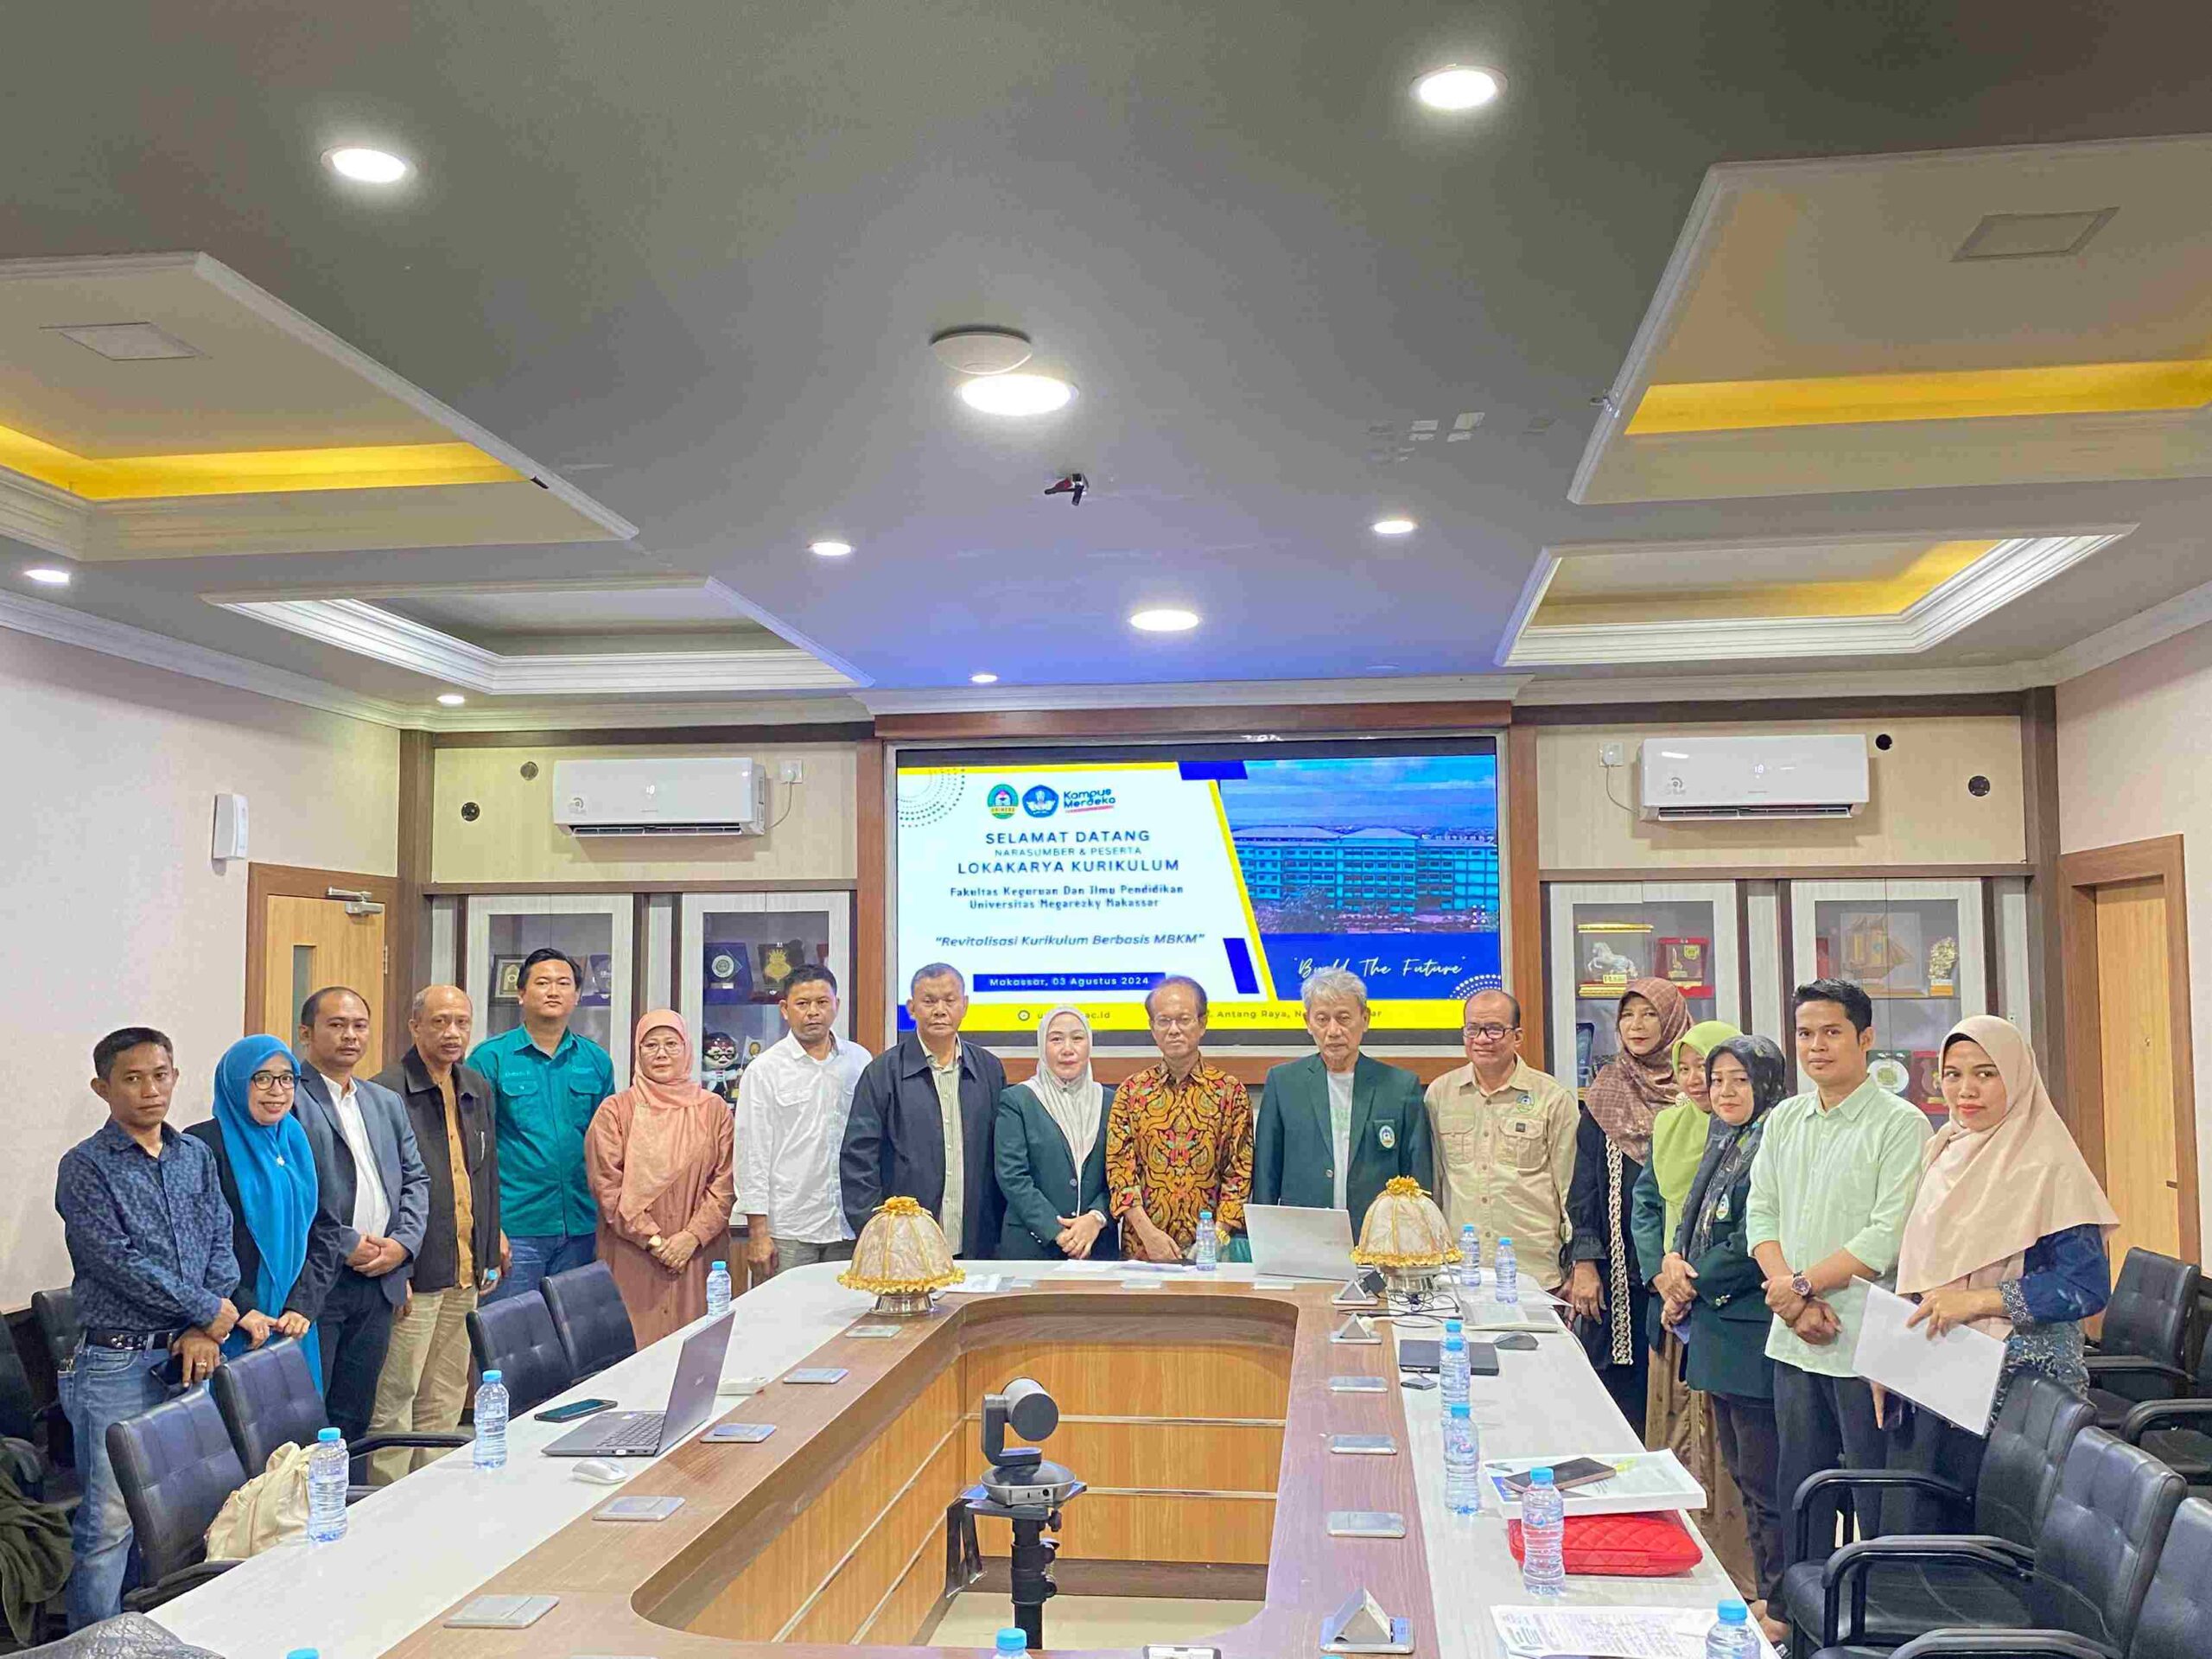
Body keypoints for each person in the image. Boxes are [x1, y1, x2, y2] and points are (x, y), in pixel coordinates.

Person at [1888, 1015, 2116, 1509]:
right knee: (1931, 1522)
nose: (1966, 1090)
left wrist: (1979, 1302)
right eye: (1953, 1074)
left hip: (2022, 1389)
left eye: (1986, 1074)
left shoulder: (2049, 1163)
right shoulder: (1944, 1151)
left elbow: (2086, 1286)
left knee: (1999, 1528)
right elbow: (1922, 1268)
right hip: (1938, 1368)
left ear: (2016, 1076)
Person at [54, 1028, 239, 1629]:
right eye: (132, 1079)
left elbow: (221, 1240)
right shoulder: (85, 1166)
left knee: (190, 1510)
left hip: (191, 1354)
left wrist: (206, 1326)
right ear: (102, 1088)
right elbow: (116, 1262)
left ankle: (171, 1631)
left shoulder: (195, 1156)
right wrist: (205, 1309)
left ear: (175, 1077)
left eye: (160, 1075)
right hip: (116, 1362)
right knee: (110, 1523)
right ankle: (95, 1642)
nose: (150, 1090)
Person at [1745, 978, 1932, 1572]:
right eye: (1805, 1034)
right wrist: (1791, 1299)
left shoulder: (1901, 1123)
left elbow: (1887, 1235)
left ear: (1866, 1038)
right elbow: (1760, 1213)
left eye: (1831, 1032)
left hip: (1865, 1341)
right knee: (1800, 1491)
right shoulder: (1785, 1118)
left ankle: (1873, 1611)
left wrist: (1801, 1288)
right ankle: (1798, 1614)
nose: (1816, 1046)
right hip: (1795, 1336)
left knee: (1873, 1493)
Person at [1652, 1036, 1789, 1636]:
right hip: (1717, 1331)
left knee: (1766, 1480)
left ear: (1766, 1083)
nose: (1726, 1092)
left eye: (1740, 1080)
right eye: (1718, 1080)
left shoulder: (1772, 1143)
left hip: (1752, 1333)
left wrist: (1689, 1281)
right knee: (1744, 1474)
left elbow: (1751, 1238)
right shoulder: (1724, 1139)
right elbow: (1691, 1220)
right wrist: (1672, 1265)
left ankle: (1784, 1605)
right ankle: (1772, 1597)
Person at [366, 986, 506, 1484]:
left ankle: (433, 1495)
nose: (452, 1033)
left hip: (465, 1267)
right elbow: (383, 1189)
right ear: (415, 1026)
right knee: (397, 1395)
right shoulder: (385, 1091)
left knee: (446, 1394)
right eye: (440, 1021)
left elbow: (485, 1174)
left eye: (462, 1023)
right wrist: (397, 1270)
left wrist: (490, 1248)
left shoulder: (475, 1086)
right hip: (415, 1272)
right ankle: (386, 1500)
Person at [1628, 1018, 1745, 1582]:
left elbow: (1750, 1226)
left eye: (1711, 1068)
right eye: (1689, 1068)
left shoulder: (1753, 1133)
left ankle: (1731, 1572)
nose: (1698, 1080)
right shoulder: (1670, 1125)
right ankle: (1671, 1560)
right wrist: (1660, 1276)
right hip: (1669, 1305)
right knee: (1671, 1432)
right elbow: (1646, 1204)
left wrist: (1693, 1283)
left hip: (1726, 1306)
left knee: (1727, 1452)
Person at [292, 987, 429, 1443]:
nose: (350, 1035)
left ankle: (351, 1488)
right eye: (336, 1025)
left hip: (380, 1278)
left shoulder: (383, 1101)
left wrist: (403, 1245)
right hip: (321, 1277)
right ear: (306, 1033)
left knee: (356, 1413)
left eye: (359, 1025)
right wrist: (347, 1243)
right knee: (311, 1414)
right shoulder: (291, 1100)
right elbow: (296, 1194)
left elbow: (416, 1179)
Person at [184, 1037, 343, 1387]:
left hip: (294, 1323)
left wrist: (302, 1305)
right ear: (237, 1082)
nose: (277, 1090)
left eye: (287, 1078)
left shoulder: (304, 1140)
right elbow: (195, 1244)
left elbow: (327, 1230)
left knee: (294, 1416)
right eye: (262, 1078)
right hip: (232, 1323)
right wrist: (241, 1306)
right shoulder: (201, 1145)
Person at [1569, 978, 1690, 1434]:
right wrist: (1584, 1262)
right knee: (1619, 1406)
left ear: (1672, 1021)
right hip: (1617, 1276)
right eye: (1627, 1016)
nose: (1636, 1026)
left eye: (1650, 1014)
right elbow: (1583, 1184)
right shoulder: (1606, 1090)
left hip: (1681, 1274)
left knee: (1676, 1405)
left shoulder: (1697, 1091)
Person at [470, 947, 615, 1301]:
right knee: (510, 1330)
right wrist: (490, 1228)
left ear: (577, 996)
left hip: (581, 1226)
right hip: (516, 1227)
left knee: (577, 1331)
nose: (553, 991)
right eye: (542, 983)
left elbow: (608, 1148)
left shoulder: (596, 1060)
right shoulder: (490, 1058)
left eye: (564, 983)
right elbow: (471, 1152)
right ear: (521, 994)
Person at [583, 1011, 737, 1344]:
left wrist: (690, 1238)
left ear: (687, 1049)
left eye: (671, 1044)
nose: (661, 1053)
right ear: (638, 1052)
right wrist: (654, 1241)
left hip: (698, 1255)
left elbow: (725, 1184)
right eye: (650, 1045)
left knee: (698, 1350)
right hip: (632, 1254)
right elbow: (607, 1187)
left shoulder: (714, 1110)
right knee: (633, 1351)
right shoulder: (615, 1112)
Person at [840, 964, 1006, 1256]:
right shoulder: (883, 1073)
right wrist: (876, 1234)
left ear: (965, 1005)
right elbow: (858, 1161)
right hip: (903, 1245)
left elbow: (1003, 1156)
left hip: (978, 1241)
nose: (940, 1010)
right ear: (912, 1008)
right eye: (929, 1001)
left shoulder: (989, 1069)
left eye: (950, 1000)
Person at [1253, 969, 1431, 1237]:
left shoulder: (1400, 1086)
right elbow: (1266, 1172)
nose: (1333, 1031)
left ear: (1365, 1019)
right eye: (1322, 1019)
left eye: (1344, 1018)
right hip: (1302, 1236)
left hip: (1379, 1238)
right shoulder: (1283, 1083)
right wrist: (1264, 1239)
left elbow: (1417, 1177)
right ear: (1307, 1022)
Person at [1421, 988, 1577, 1293]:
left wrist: (1579, 1263)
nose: (1482, 1039)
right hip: (1460, 1271)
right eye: (1473, 1029)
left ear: (1517, 1037)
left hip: (1534, 1274)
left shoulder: (1552, 1098)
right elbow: (1435, 1186)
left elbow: (1571, 1188)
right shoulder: (1440, 1095)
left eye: (1494, 1029)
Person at [736, 964, 872, 1280]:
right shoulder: (765, 1070)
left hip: (849, 1225)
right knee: (787, 1311)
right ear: (785, 1009)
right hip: (789, 1229)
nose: (813, 1012)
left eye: (822, 1002)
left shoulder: (860, 1061)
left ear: (837, 1005)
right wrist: (758, 1233)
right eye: (802, 1004)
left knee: (848, 1310)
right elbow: (751, 1154)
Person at [1106, 976, 1253, 1263]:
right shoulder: (1131, 1091)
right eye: (1164, 1021)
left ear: (1202, 1023)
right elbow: (1120, 1172)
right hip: (1144, 1252)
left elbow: (1239, 1174)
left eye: (1184, 1019)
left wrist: (1215, 1237)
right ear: (1152, 1028)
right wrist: (1149, 1236)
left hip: (1211, 1254)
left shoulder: (1230, 1091)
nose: (1174, 1030)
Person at [995, 1007, 1118, 1260]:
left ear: (1089, 1045)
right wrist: (1058, 1232)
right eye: (1056, 1039)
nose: (1067, 1049)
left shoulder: (1111, 1101)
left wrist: (1097, 1217)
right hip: (1032, 1248)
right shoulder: (1018, 1100)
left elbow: (1120, 1174)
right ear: (1042, 1046)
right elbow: (1013, 1176)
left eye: (1077, 1038)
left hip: (1097, 1246)